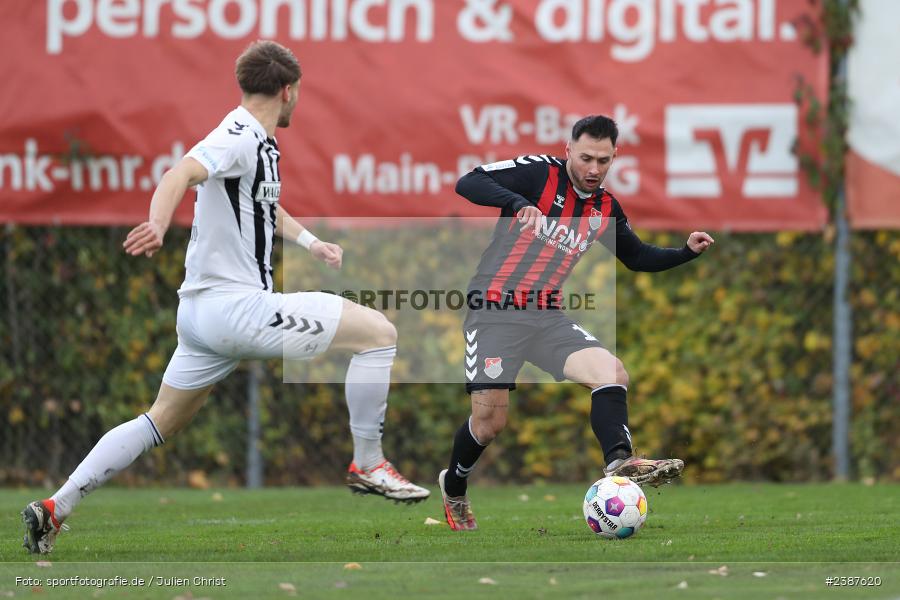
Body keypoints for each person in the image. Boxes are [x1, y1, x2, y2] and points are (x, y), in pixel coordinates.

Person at [22, 40, 428, 555]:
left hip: (200, 317)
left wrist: (310, 243)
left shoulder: (257, 143)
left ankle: (54, 508)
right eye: (297, 94)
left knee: (160, 419)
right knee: (379, 334)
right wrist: (157, 222)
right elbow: (179, 173)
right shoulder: (238, 136)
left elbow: (264, 207)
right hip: (237, 309)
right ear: (288, 91)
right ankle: (368, 464)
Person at [438, 115, 715, 531]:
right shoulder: (538, 174)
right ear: (568, 150)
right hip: (494, 313)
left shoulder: (605, 207)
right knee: (490, 423)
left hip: (546, 317)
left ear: (614, 158)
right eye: (585, 157)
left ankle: (620, 460)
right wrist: (517, 203)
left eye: (603, 161)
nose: (593, 169)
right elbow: (468, 182)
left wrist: (685, 252)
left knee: (612, 372)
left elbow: (637, 258)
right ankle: (454, 485)